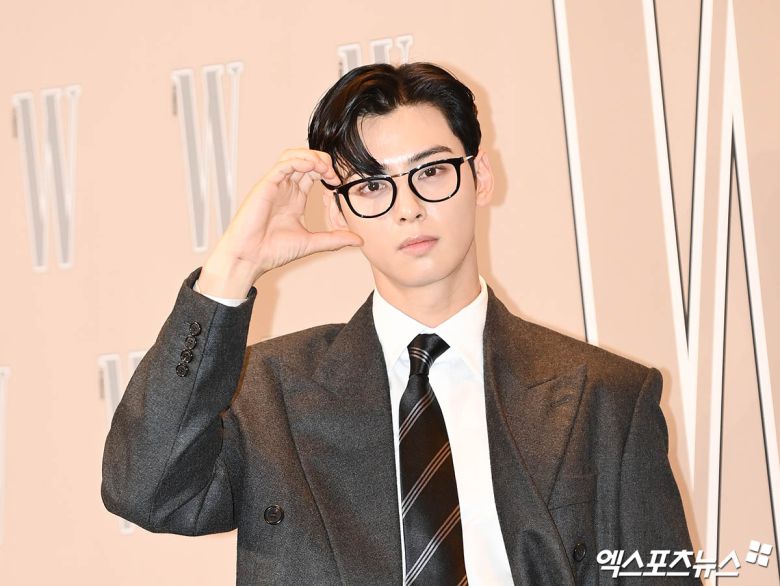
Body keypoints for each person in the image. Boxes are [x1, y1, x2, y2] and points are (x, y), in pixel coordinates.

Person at [101, 62, 699, 585]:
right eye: (371, 185)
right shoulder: (267, 393)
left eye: (431, 172)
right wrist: (232, 268)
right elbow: (147, 492)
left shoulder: (607, 398)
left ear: (480, 176)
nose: (408, 207)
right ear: (339, 208)